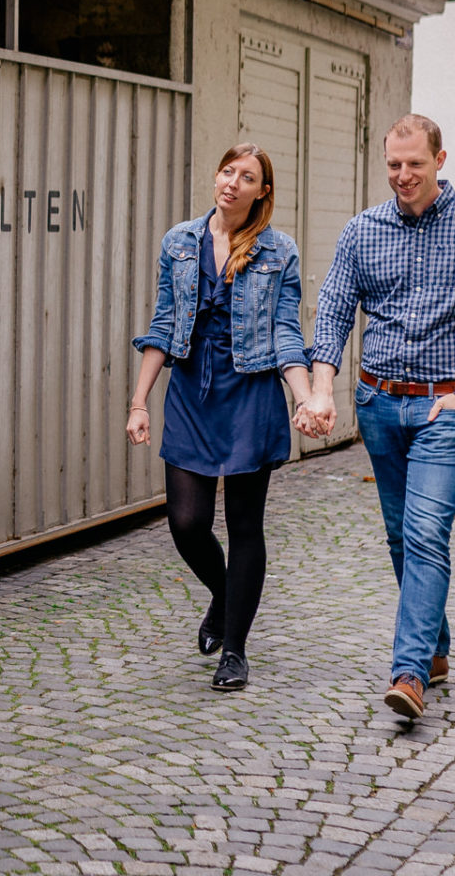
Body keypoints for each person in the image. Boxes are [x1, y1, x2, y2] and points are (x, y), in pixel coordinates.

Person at [298, 114, 455, 720]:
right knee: (401, 535)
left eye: (414, 163)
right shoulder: (362, 231)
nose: (402, 175)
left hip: (448, 406)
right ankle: (438, 648)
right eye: (393, 165)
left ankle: (410, 673)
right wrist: (323, 391)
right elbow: (335, 314)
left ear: (440, 160)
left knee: (426, 533)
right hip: (378, 403)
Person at [127, 144, 320, 692]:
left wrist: (304, 397)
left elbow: (286, 333)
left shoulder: (278, 251)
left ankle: (234, 650)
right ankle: (223, 592)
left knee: (243, 525)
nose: (232, 182)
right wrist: (139, 401)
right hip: (192, 391)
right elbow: (163, 323)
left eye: (248, 176)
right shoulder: (179, 242)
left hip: (250, 392)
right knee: (187, 523)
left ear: (263, 191)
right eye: (228, 171)